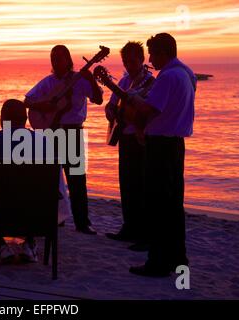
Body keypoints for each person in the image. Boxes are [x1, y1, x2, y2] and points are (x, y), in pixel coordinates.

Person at [125, 33, 196, 277]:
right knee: (174, 205)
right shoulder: (187, 73)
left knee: (157, 205)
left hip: (161, 146)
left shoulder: (167, 76)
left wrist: (134, 100)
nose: (151, 59)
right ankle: (178, 257)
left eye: (153, 53)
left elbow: (149, 108)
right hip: (176, 146)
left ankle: (157, 262)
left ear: (164, 52)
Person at [25, 45, 103, 235]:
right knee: (50, 179)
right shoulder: (48, 82)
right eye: (53, 57)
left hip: (73, 133)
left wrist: (91, 80)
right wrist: (44, 106)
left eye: (59, 57)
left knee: (77, 180)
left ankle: (82, 223)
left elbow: (98, 99)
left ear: (68, 60)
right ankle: (55, 218)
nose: (56, 61)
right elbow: (27, 101)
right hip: (51, 133)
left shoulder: (80, 80)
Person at [104, 42, 155, 250]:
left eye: (132, 61)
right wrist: (111, 111)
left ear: (142, 60)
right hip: (124, 136)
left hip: (140, 138)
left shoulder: (151, 82)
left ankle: (143, 232)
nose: (129, 65)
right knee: (126, 183)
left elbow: (149, 109)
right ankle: (129, 227)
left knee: (141, 186)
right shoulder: (123, 81)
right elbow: (111, 105)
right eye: (125, 61)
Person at [0, 99, 41, 263]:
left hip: (3, 211)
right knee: (31, 194)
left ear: (2, 119)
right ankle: (30, 241)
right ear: (25, 119)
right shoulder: (43, 140)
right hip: (37, 213)